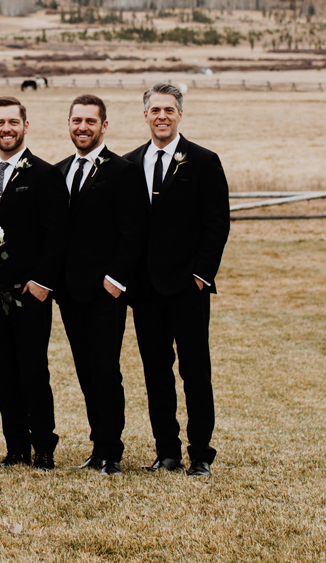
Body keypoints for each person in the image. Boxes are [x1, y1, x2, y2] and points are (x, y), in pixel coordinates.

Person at [123, 83, 230, 477]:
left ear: (180, 115)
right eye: (155, 110)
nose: (162, 116)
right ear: (146, 115)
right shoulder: (130, 164)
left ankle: (200, 453)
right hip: (146, 291)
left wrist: (201, 275)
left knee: (195, 371)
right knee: (156, 373)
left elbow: (217, 224)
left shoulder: (203, 161)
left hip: (188, 287)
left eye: (169, 110)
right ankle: (166, 451)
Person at [54, 94, 147, 475]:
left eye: (90, 121)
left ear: (103, 126)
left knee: (106, 371)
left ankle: (111, 450)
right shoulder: (59, 171)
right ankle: (97, 444)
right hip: (70, 293)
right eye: (77, 120)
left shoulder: (122, 170)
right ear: (69, 124)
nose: (82, 127)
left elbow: (135, 230)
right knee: (85, 370)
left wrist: (115, 280)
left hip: (106, 292)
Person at [0, 96, 68, 470]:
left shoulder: (45, 174)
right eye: (0, 123)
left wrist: (43, 282)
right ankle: (15, 447)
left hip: (31, 293)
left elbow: (58, 235)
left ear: (25, 126)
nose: (7, 129)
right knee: (4, 373)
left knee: (33, 371)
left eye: (13, 122)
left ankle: (43, 448)